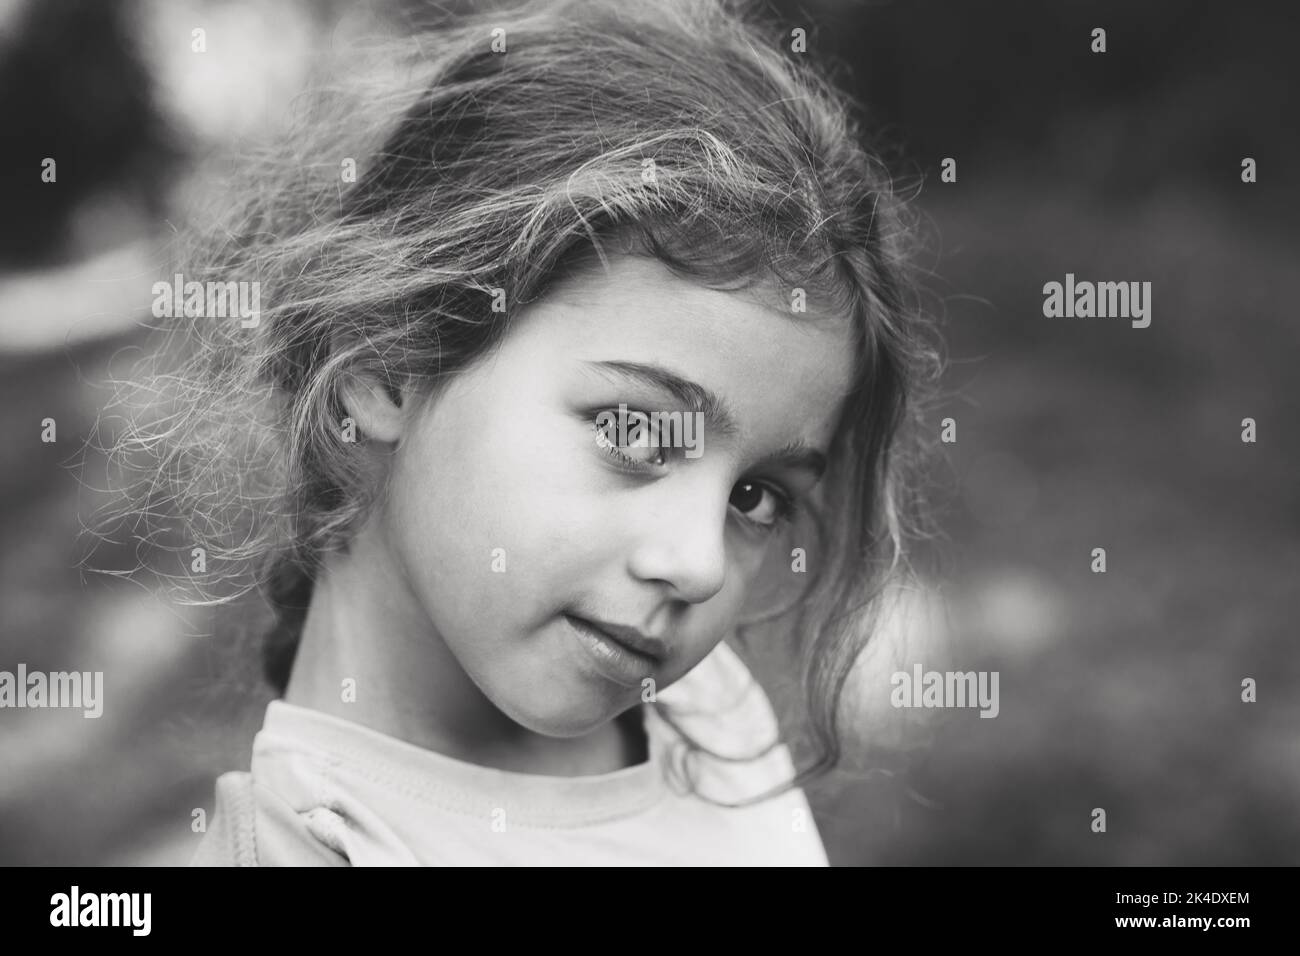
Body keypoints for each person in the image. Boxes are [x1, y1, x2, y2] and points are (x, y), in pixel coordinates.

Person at [111, 0, 938, 865]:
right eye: (635, 431)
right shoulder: (312, 849)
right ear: (385, 361)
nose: (699, 565)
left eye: (755, 497)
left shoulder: (709, 718)